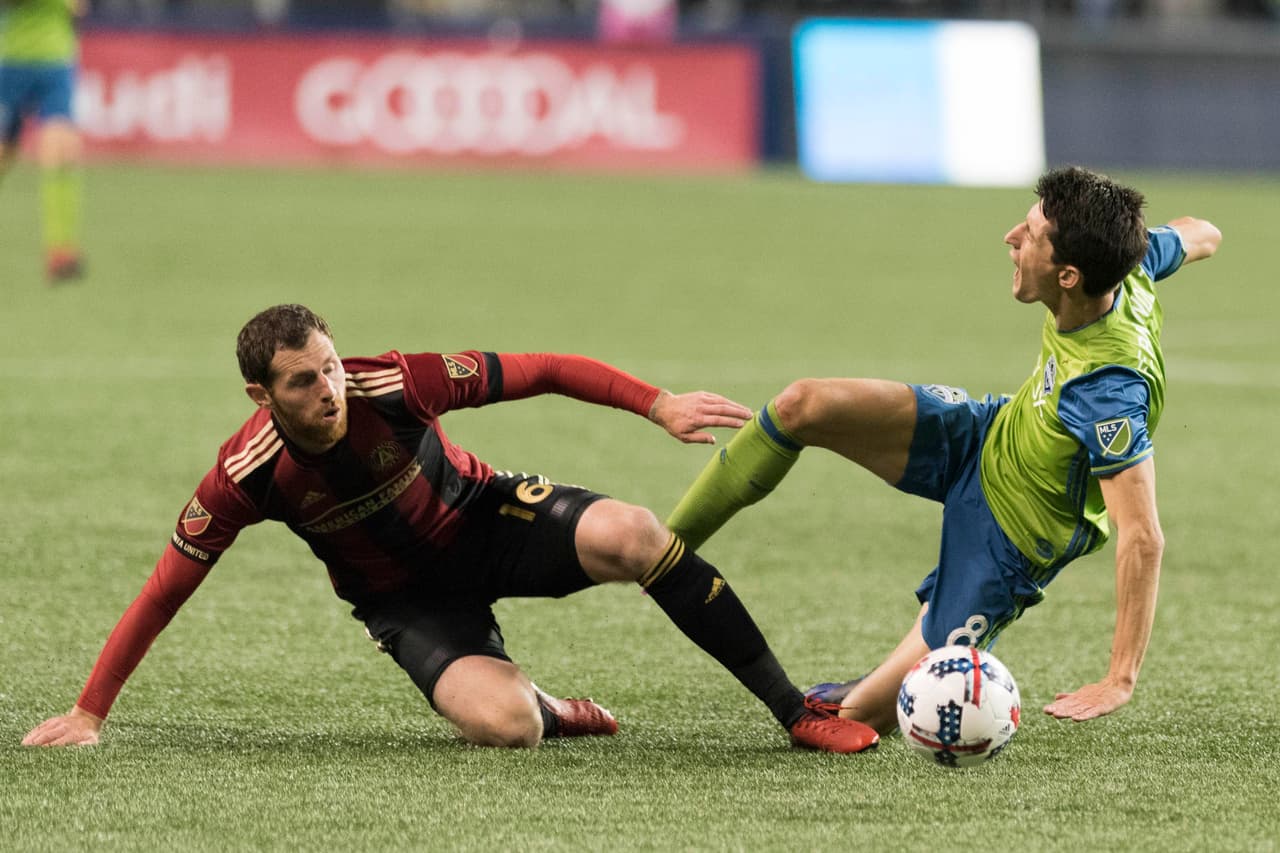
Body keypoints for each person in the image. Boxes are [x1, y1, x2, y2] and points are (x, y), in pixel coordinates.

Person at [22, 304, 879, 753]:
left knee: (636, 534)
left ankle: (794, 709)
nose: (328, 389)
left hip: (485, 517)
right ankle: (545, 702)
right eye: (303, 381)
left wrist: (654, 402)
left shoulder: (391, 384)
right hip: (407, 603)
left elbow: (541, 368)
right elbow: (164, 589)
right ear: (261, 396)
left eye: (328, 365)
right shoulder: (244, 475)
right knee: (508, 729)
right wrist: (89, 710)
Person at [665, 166, 1222, 736]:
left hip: (1009, 543)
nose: (1011, 238)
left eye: (1029, 237)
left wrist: (1119, 678)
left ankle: (870, 691)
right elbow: (1204, 231)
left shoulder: (1107, 391)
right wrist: (1175, 236)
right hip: (986, 433)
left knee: (849, 724)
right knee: (802, 405)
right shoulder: (1130, 267)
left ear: (1070, 275)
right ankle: (660, 553)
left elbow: (1144, 536)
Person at [0, 0, 86, 282]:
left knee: (60, 150)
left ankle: (61, 251)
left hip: (55, 62)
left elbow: (78, 9)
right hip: (11, 62)